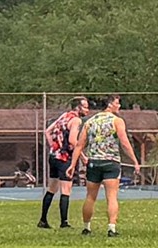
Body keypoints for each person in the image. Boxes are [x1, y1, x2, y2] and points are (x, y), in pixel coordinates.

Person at [69, 95, 140, 238]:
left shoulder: (90, 121)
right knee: (112, 197)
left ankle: (86, 227)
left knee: (90, 197)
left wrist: (72, 164)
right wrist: (134, 160)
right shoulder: (117, 121)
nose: (118, 106)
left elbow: (79, 145)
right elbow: (124, 142)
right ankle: (111, 228)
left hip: (93, 163)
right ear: (110, 104)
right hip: (111, 162)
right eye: (117, 103)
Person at [38, 95, 88, 229]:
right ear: (78, 108)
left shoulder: (64, 116)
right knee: (66, 190)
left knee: (52, 187)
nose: (87, 110)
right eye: (85, 107)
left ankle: (43, 220)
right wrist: (82, 156)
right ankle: (64, 222)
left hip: (54, 156)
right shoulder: (76, 120)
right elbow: (72, 140)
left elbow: (47, 131)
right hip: (65, 158)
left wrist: (54, 146)